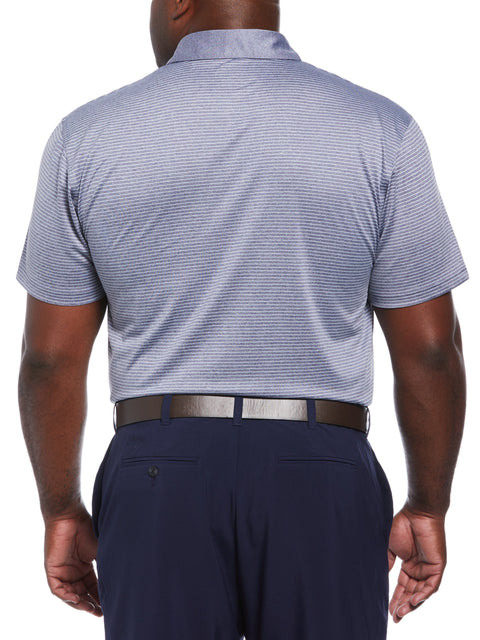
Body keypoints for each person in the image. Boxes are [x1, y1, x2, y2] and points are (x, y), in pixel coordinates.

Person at [16, 0, 468, 638]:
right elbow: (432, 351)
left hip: (157, 474)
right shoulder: (380, 130)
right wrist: (429, 504)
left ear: (178, 2)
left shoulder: (86, 137)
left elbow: (49, 360)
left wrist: (61, 510)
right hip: (323, 472)